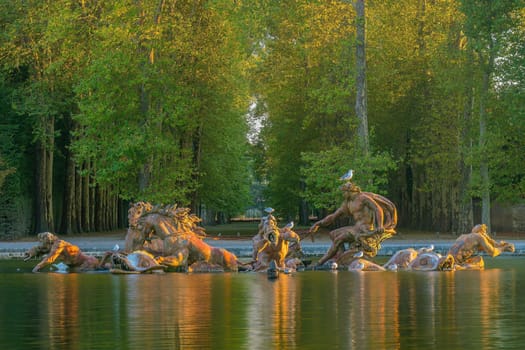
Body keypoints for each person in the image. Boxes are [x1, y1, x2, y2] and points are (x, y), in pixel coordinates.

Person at [310, 174, 397, 265]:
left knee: (338, 239)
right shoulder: (348, 203)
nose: (343, 194)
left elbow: (377, 209)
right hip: (356, 228)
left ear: (350, 191)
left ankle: (320, 262)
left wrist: (379, 225)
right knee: (333, 234)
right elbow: (333, 216)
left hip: (365, 228)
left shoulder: (363, 198)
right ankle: (340, 256)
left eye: (344, 192)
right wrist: (318, 224)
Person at [447, 224, 515, 269]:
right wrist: (504, 248)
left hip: (448, 259)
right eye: (485, 233)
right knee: (480, 261)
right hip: (456, 263)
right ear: (482, 232)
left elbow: (493, 244)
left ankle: (458, 266)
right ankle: (461, 267)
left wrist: (503, 244)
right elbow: (492, 252)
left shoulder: (462, 236)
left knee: (476, 259)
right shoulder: (479, 237)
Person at [24, 232, 99, 273]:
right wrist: (30, 253)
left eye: (42, 241)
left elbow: (50, 258)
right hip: (73, 266)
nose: (41, 243)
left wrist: (37, 267)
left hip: (87, 263)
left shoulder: (59, 245)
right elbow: (40, 249)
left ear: (48, 241)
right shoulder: (51, 244)